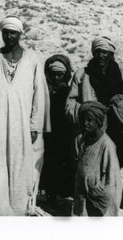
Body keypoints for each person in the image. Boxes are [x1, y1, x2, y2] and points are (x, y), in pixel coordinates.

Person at [0, 16, 50, 216]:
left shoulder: (32, 59)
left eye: (13, 32)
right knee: (0, 167)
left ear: (20, 34)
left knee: (21, 167)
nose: (9, 36)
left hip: (23, 126)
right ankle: (5, 211)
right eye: (5, 32)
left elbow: (39, 95)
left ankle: (20, 210)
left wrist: (35, 125)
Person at [73, 101, 122, 216]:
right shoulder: (80, 140)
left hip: (97, 196)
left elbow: (111, 176)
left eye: (89, 120)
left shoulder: (107, 144)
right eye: (83, 120)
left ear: (98, 121)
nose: (85, 123)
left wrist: (97, 192)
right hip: (82, 194)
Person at [39, 54, 76, 201]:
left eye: (60, 75)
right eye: (53, 75)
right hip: (46, 133)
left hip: (64, 133)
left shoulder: (69, 91)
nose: (56, 78)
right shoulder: (43, 90)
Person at [66, 36, 123, 126]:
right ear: (93, 53)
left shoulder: (117, 75)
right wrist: (87, 112)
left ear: (111, 54)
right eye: (97, 52)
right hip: (88, 125)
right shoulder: (81, 74)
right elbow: (70, 102)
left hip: (113, 123)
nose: (101, 56)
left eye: (104, 52)